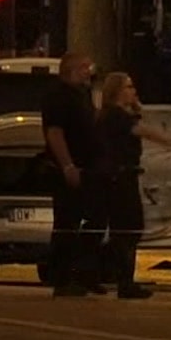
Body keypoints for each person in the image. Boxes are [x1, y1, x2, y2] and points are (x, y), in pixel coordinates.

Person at [96, 72, 171, 299]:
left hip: (123, 177)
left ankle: (124, 278)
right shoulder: (116, 116)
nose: (133, 91)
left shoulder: (118, 115)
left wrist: (137, 107)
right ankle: (124, 280)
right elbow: (143, 130)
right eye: (129, 87)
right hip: (119, 178)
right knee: (127, 228)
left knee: (130, 228)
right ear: (117, 91)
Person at [41, 52, 106, 297]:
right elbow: (55, 133)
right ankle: (61, 277)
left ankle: (85, 273)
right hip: (69, 169)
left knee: (96, 219)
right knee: (67, 223)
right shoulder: (58, 96)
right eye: (84, 67)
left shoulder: (83, 95)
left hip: (89, 168)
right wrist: (67, 165)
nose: (89, 71)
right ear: (71, 70)